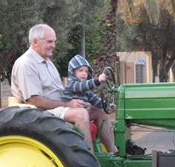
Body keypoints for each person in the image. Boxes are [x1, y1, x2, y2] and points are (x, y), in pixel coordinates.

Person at [10, 24, 117, 154]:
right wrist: (68, 104)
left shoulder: (47, 62)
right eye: (49, 41)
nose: (53, 45)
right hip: (40, 113)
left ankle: (113, 153)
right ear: (34, 42)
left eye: (54, 41)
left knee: (100, 111)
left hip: (59, 108)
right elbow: (34, 100)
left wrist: (78, 102)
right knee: (81, 113)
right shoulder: (26, 63)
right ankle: (90, 161)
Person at [63, 55, 117, 153]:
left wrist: (107, 106)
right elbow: (83, 86)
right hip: (69, 117)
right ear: (73, 72)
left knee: (100, 112)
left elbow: (96, 100)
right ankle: (90, 155)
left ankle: (112, 149)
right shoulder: (72, 85)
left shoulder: (86, 92)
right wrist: (97, 81)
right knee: (87, 111)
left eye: (86, 71)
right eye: (81, 71)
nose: (84, 74)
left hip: (83, 113)